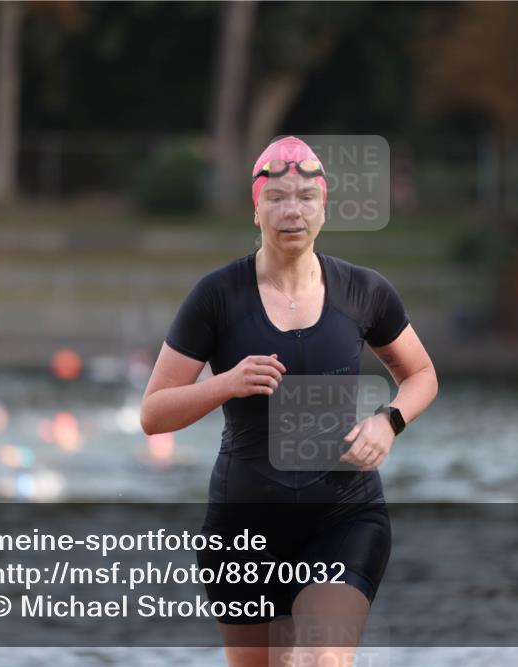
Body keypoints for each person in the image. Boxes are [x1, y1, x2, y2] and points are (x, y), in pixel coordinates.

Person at [141, 136, 438, 667]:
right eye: (276, 197)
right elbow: (154, 413)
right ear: (256, 209)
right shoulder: (217, 297)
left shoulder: (363, 291)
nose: (292, 210)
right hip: (243, 526)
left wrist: (389, 422)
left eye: (305, 196)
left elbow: (420, 374)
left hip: (344, 514)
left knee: (321, 660)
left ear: (325, 207)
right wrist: (225, 383)